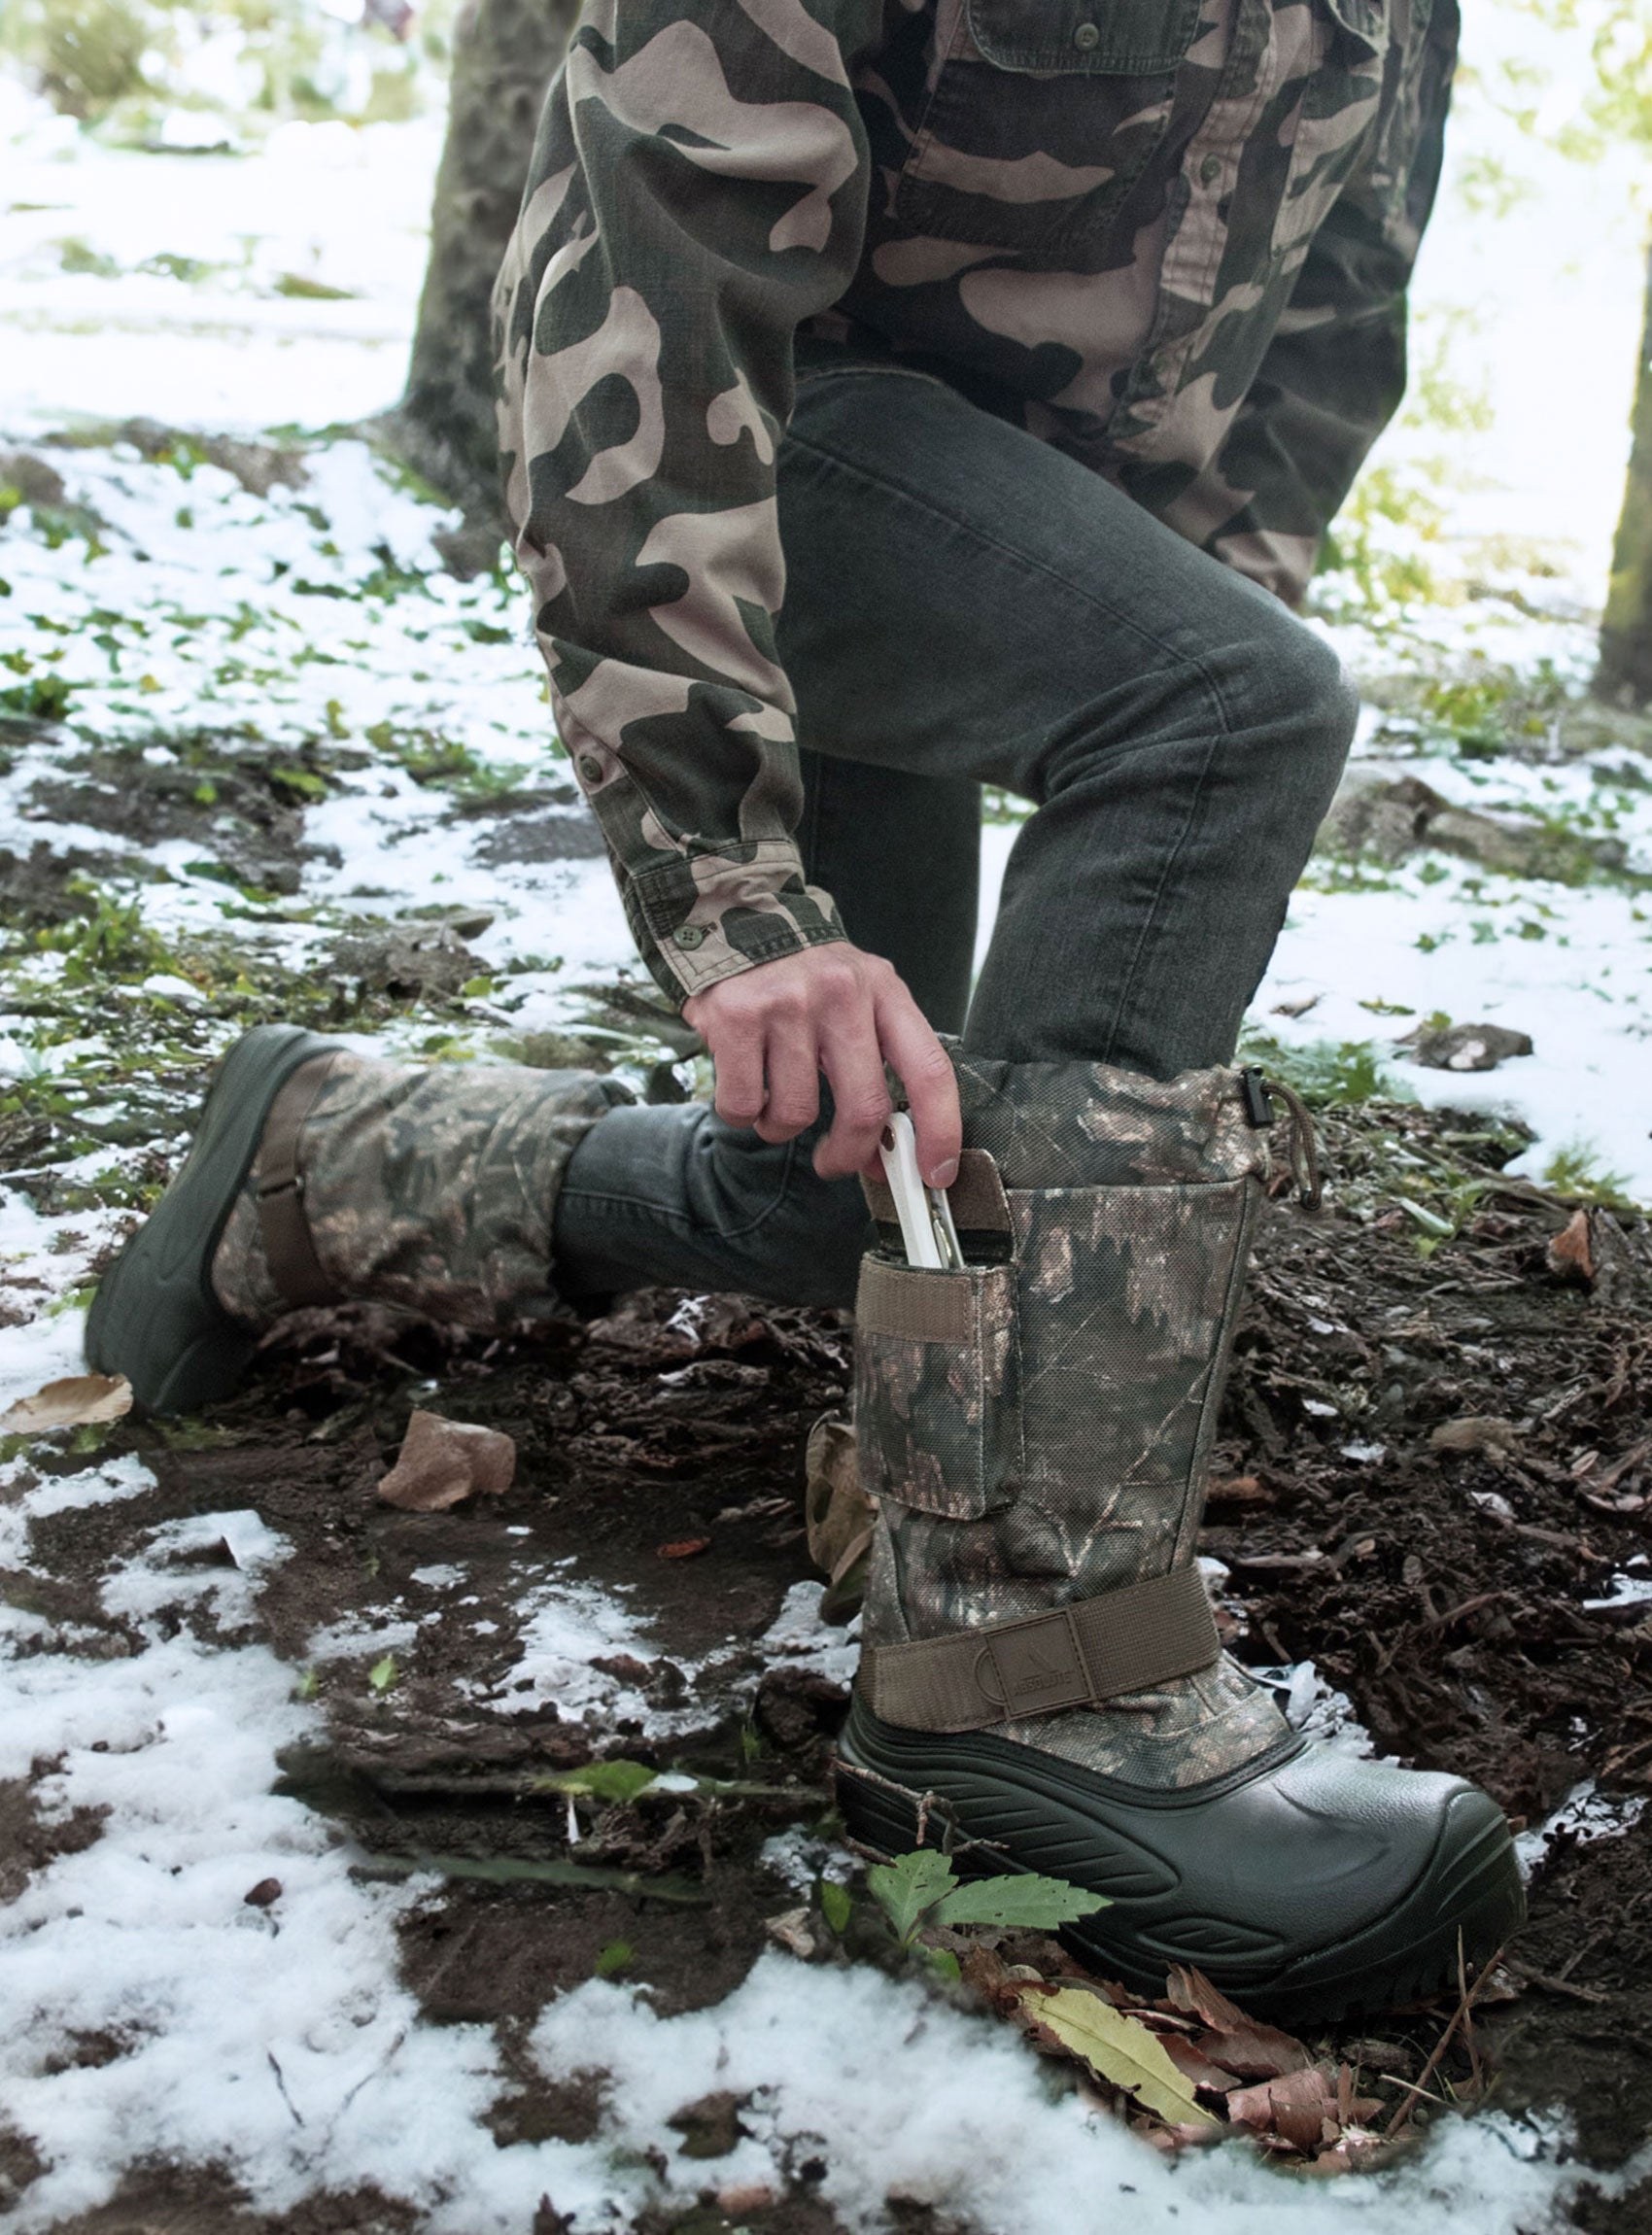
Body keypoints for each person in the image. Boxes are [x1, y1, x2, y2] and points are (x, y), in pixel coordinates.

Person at [88, 0, 1524, 2017]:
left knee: (860, 1184)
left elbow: (1334, 298)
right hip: (745, 432)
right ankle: (1020, 1674)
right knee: (1234, 710)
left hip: (1001, 500)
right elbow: (647, 267)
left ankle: (324, 1157)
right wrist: (731, 891)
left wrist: (1155, 594)